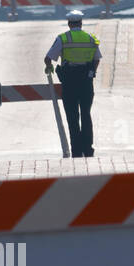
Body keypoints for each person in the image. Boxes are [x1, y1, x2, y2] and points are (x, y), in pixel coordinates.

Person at [44, 10, 101, 157]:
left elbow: (48, 58)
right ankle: (88, 149)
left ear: (69, 24)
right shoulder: (90, 38)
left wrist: (49, 67)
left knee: (72, 116)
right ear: (81, 23)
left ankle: (76, 149)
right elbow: (97, 58)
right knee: (86, 115)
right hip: (86, 81)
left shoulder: (63, 38)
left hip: (69, 82)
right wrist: (91, 72)